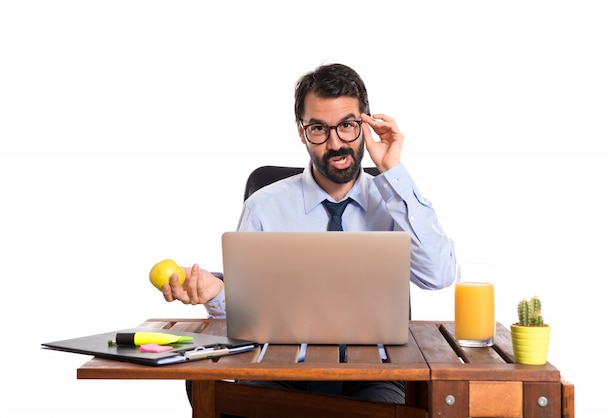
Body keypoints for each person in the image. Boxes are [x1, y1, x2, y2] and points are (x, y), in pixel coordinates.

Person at [161, 63, 457, 404]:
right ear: (302, 132)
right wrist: (217, 293)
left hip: (371, 377)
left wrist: (394, 173)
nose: (335, 144)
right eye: (319, 129)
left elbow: (438, 275)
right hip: (279, 373)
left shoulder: (395, 203)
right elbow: (246, 321)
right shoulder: (264, 207)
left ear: (366, 124)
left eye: (347, 125)